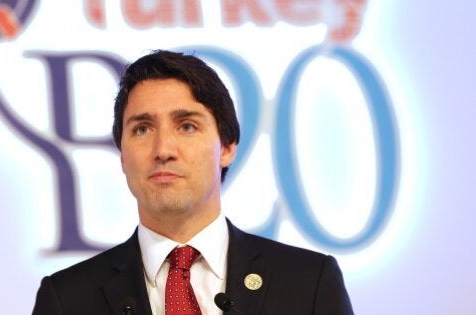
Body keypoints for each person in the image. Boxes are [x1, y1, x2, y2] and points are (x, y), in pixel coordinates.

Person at [32, 50, 354, 314]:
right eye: (142, 129)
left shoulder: (308, 283)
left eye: (186, 126)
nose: (163, 151)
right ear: (122, 155)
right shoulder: (67, 300)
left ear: (226, 147)